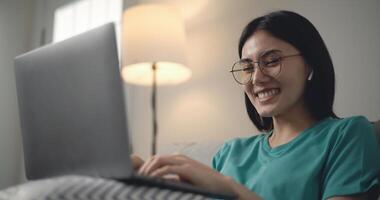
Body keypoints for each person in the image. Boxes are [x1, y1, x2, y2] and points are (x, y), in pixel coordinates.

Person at [132, 10, 380, 200]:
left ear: (310, 64)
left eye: (271, 60)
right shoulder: (231, 153)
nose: (256, 78)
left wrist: (231, 189)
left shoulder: (348, 135)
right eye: (248, 67)